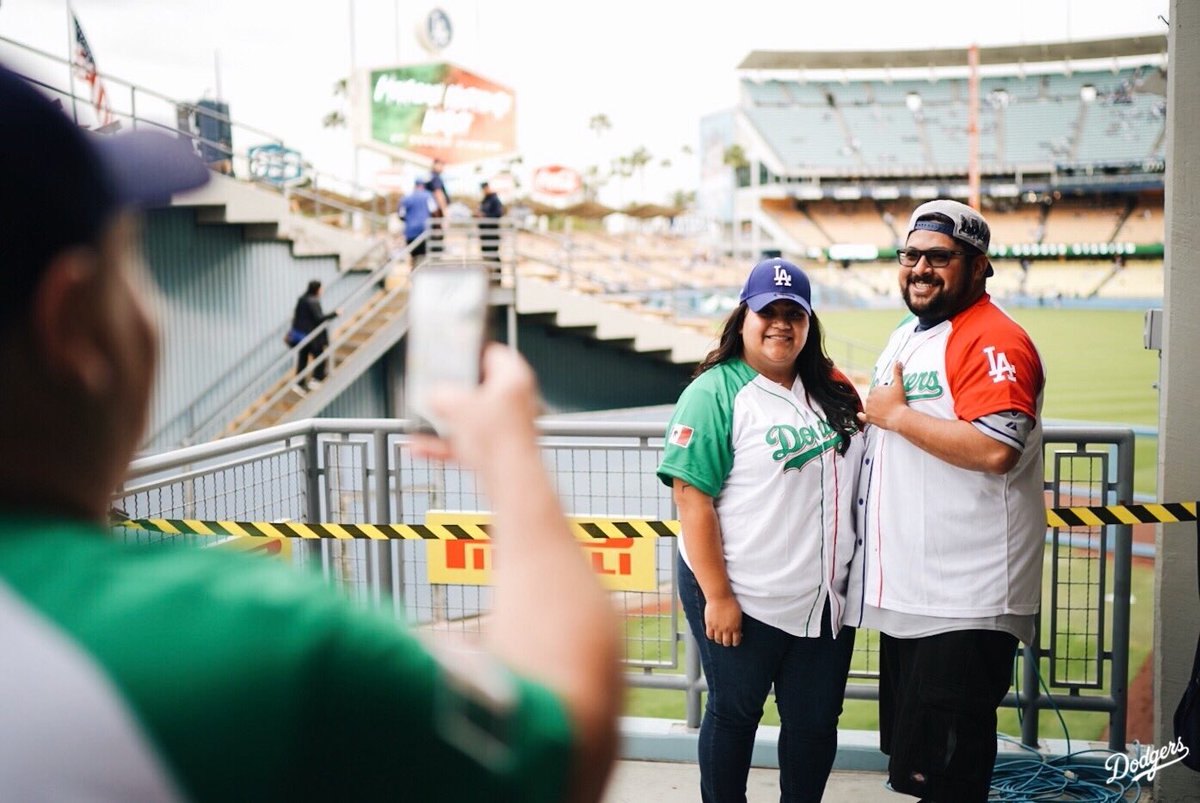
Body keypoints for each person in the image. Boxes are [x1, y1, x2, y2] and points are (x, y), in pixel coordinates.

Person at [0, 65, 621, 802]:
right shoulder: (252, 641)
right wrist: (513, 455)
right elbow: (567, 736)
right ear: (70, 323)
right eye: (133, 267)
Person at [846, 200, 1047, 802]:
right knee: (919, 768)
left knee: (950, 777)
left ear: (979, 266)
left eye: (940, 257)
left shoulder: (996, 338)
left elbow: (995, 450)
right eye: (911, 255)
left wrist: (899, 418)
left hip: (964, 594)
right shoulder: (907, 333)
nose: (921, 267)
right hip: (915, 593)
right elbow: (886, 421)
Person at [656, 257, 864, 803]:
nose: (780, 323)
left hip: (824, 599)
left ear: (809, 321)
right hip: (743, 592)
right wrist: (719, 596)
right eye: (766, 311)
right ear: (742, 319)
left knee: (815, 724)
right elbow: (691, 498)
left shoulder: (832, 388)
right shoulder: (715, 392)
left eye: (792, 312)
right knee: (735, 714)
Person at [291, 279, 339, 391]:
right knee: (319, 356)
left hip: (301, 335)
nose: (322, 290)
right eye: (321, 288)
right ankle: (316, 380)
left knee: (303, 359)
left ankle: (299, 383)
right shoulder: (313, 301)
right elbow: (319, 318)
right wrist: (335, 314)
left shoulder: (302, 299)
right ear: (317, 289)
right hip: (312, 336)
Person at [399, 178, 434, 268]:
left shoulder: (406, 198)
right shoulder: (428, 196)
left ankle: (414, 276)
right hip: (424, 230)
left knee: (414, 256)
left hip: (410, 232)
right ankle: (421, 276)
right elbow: (434, 210)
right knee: (424, 256)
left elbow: (401, 215)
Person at [426, 157, 450, 255]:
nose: (442, 168)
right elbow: (438, 193)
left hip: (433, 213)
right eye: (440, 165)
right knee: (437, 238)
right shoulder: (435, 177)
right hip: (436, 213)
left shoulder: (431, 176)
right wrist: (445, 212)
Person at [478, 180, 504, 263]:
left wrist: (485, 216)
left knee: (493, 253)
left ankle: (497, 274)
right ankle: (489, 274)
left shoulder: (494, 199)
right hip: (484, 232)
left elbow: (498, 213)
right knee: (486, 253)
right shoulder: (485, 200)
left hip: (492, 232)